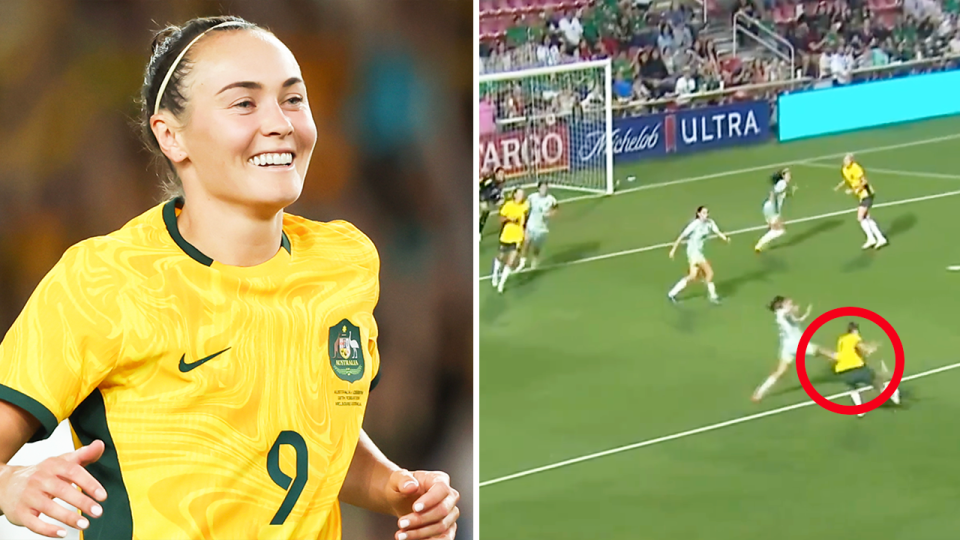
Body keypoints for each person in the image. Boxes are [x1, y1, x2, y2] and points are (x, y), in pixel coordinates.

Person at [0, 16, 459, 540]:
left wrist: (398, 488)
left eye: (293, 99)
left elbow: (313, 441)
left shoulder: (346, 261)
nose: (281, 123)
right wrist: (11, 485)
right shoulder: (102, 279)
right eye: (244, 103)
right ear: (171, 135)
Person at [752, 296, 836, 402]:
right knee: (820, 350)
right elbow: (786, 312)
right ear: (781, 305)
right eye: (787, 301)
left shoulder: (784, 313)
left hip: (787, 346)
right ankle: (842, 359)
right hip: (796, 344)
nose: (790, 301)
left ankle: (759, 392)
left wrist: (805, 313)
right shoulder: (780, 313)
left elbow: (798, 319)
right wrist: (792, 308)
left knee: (780, 371)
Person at [832, 321, 901, 417]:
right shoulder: (854, 337)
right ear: (855, 330)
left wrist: (867, 350)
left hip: (843, 371)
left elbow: (849, 352)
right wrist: (871, 349)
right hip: (856, 368)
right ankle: (893, 392)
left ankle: (860, 410)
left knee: (852, 388)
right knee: (877, 382)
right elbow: (862, 348)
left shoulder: (841, 339)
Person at [667, 206, 730, 304]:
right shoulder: (694, 225)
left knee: (693, 275)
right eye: (704, 213)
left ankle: (672, 293)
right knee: (709, 273)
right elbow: (682, 236)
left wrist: (724, 238)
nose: (706, 215)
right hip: (693, 252)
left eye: (707, 212)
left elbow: (717, 231)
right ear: (699, 214)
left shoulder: (710, 223)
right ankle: (713, 296)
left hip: (698, 251)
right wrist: (673, 250)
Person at [835, 153, 887, 249]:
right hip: (860, 196)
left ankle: (873, 238)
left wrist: (854, 190)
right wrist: (839, 186)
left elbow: (864, 181)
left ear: (852, 161)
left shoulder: (856, 168)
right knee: (866, 217)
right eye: (845, 161)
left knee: (860, 217)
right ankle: (878, 238)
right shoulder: (844, 169)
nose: (846, 162)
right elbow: (848, 179)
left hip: (867, 194)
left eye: (848, 160)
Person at [492, 188, 528, 293]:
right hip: (506, 236)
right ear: (515, 195)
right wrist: (509, 219)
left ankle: (501, 284)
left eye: (523, 194)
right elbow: (500, 218)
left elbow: (526, 218)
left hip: (518, 237)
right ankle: (495, 275)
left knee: (511, 261)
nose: (522, 196)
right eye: (520, 194)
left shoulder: (525, 206)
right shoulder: (508, 205)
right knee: (500, 257)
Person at [517, 181, 558, 272]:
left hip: (542, 229)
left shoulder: (551, 200)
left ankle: (534, 262)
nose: (544, 189)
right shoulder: (532, 197)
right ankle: (522, 263)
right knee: (526, 243)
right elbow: (525, 207)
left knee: (536, 248)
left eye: (545, 187)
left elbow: (555, 210)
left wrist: (549, 214)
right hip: (531, 225)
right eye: (542, 187)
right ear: (538, 188)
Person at [755, 168, 796, 252]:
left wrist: (790, 193)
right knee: (780, 230)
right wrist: (775, 210)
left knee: (773, 228)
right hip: (772, 208)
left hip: (767, 207)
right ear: (783, 176)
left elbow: (780, 194)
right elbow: (773, 194)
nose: (790, 176)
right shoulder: (783, 183)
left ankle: (763, 242)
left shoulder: (782, 184)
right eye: (788, 175)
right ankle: (760, 244)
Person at [479, 167, 507, 242]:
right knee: (484, 210)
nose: (502, 175)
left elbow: (498, 191)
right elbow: (480, 187)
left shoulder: (502, 181)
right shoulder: (489, 180)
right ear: (496, 174)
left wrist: (499, 198)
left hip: (490, 198)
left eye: (503, 174)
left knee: (502, 205)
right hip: (482, 196)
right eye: (500, 174)